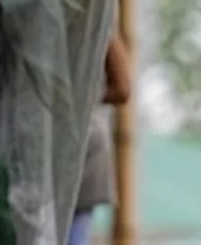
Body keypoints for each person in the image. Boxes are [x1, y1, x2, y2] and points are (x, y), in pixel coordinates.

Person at [69, 32, 131, 245]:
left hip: (81, 142)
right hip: (81, 139)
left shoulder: (99, 25)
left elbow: (123, 89)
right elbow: (122, 89)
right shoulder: (100, 25)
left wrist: (79, 97)